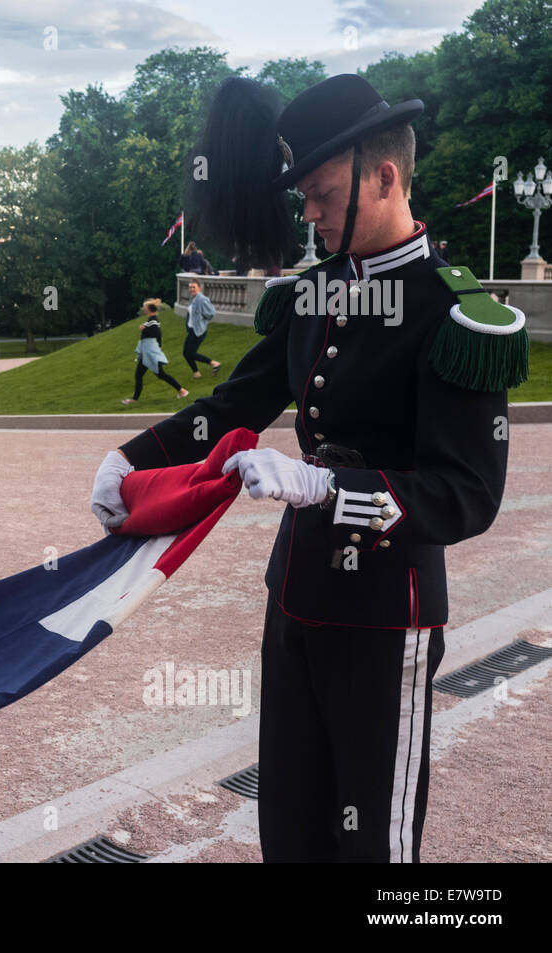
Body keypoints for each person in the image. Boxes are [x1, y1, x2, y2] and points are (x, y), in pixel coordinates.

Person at [90, 74, 526, 863]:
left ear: (385, 177)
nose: (311, 215)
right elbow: (230, 405)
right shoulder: (312, 294)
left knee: (373, 849)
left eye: (323, 195)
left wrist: (330, 488)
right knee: (289, 829)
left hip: (387, 613)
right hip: (296, 596)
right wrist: (130, 459)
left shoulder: (450, 313)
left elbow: (468, 495)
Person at [122, 300, 189, 405]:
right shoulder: (152, 320)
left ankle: (182, 391)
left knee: (156, 375)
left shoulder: (153, 320)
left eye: (144, 307)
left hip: (149, 353)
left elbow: (156, 333)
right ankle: (135, 399)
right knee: (146, 374)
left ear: (148, 309)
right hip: (149, 353)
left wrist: (144, 329)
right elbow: (158, 335)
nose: (143, 308)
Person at [183, 280, 222, 378]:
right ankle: (196, 373)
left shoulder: (202, 299)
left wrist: (203, 320)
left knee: (190, 353)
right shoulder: (193, 299)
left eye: (194, 287)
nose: (191, 289)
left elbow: (211, 313)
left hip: (199, 331)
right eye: (190, 287)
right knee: (186, 353)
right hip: (192, 330)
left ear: (199, 288)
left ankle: (214, 363)